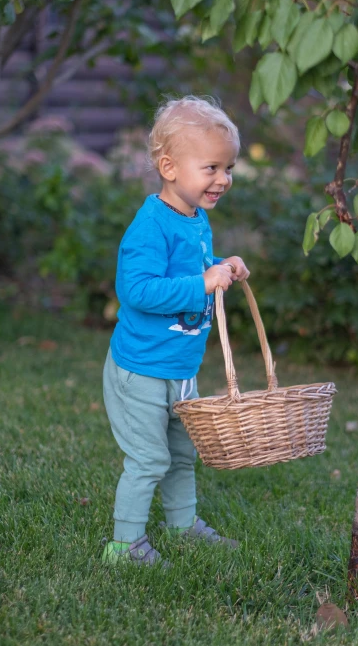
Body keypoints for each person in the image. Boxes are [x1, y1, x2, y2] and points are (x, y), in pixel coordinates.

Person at [102, 95, 250, 566]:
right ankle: (124, 546)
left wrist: (219, 265)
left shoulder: (195, 218)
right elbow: (138, 290)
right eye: (211, 168)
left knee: (182, 454)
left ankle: (183, 526)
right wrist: (201, 283)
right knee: (149, 459)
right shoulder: (150, 226)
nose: (223, 180)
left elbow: (190, 269)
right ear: (169, 167)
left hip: (180, 368)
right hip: (143, 368)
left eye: (228, 168)